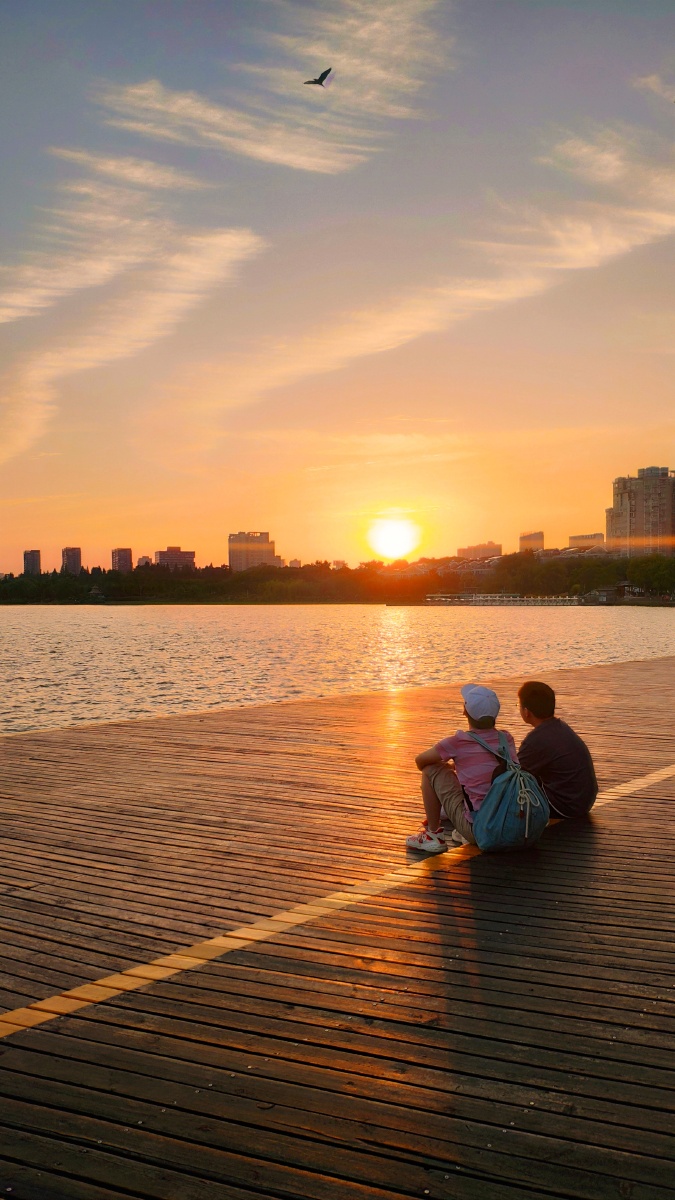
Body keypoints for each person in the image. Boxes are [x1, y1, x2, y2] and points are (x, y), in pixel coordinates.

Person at [407, 684, 518, 853]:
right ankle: (459, 828)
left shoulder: (457, 742)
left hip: (481, 829)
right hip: (512, 823)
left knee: (430, 769)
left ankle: (433, 835)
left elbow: (420, 760)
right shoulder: (506, 739)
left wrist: (448, 766)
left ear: (465, 711)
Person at [517, 680, 598, 818]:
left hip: (566, 806)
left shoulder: (536, 740)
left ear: (526, 712)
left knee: (514, 784)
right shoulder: (560, 727)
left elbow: (514, 773)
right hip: (583, 801)